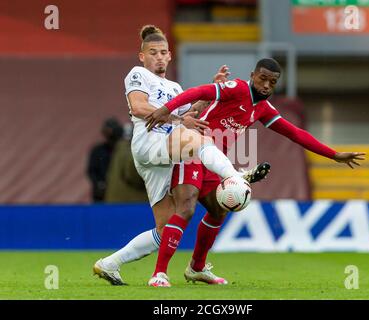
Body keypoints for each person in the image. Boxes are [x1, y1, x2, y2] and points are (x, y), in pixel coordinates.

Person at [143, 57, 366, 287]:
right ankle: (159, 274)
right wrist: (165, 109)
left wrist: (333, 154)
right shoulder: (236, 89)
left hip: (213, 161)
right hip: (192, 149)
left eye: (272, 82)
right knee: (186, 207)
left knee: (218, 210)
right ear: (252, 75)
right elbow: (199, 91)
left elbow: (295, 133)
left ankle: (196, 268)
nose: (267, 85)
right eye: (263, 79)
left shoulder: (262, 108)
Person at [93, 25, 267, 284]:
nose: (159, 57)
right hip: (149, 144)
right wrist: (176, 119)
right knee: (198, 140)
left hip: (165, 157)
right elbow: (140, 107)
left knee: (165, 230)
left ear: (170, 55)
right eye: (153, 52)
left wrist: (210, 93)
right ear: (142, 56)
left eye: (164, 52)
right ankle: (235, 176)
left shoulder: (174, 87)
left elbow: (190, 115)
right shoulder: (138, 74)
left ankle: (109, 264)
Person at [104, 122, 149, 203]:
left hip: (116, 201)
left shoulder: (120, 149)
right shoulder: (132, 151)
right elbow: (133, 175)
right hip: (133, 202)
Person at [87, 117, 124, 202]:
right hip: (102, 194)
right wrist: (99, 183)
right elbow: (91, 171)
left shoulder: (125, 151)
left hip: (121, 194)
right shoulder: (98, 150)